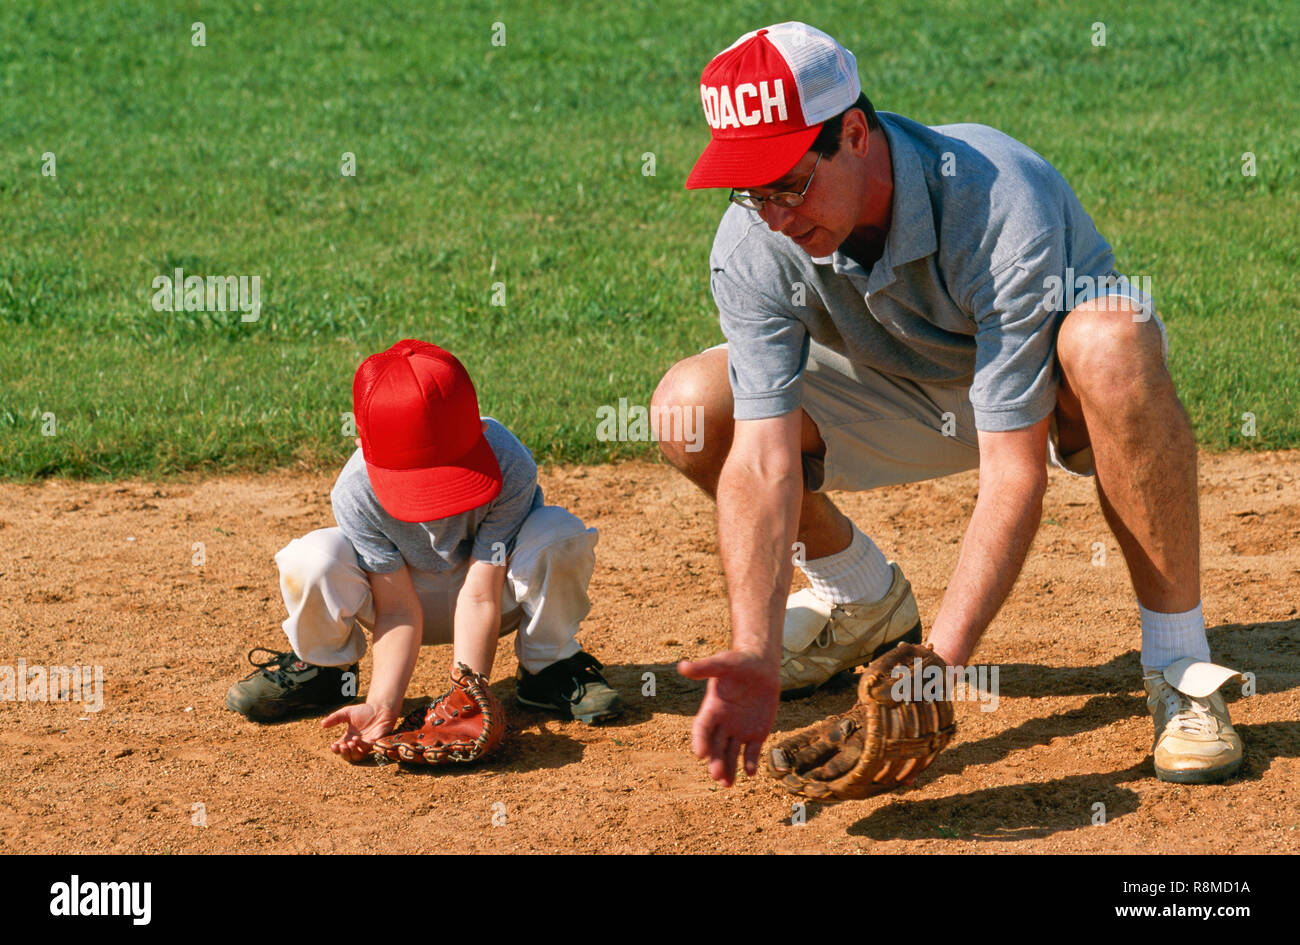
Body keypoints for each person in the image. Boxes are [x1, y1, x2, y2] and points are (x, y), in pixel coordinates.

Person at [658, 22, 1243, 789]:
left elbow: (1014, 474)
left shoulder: (994, 198)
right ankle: (861, 603)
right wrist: (754, 645)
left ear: (857, 133)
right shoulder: (755, 239)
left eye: (790, 183)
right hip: (893, 388)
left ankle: (1180, 669)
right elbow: (762, 459)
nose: (773, 215)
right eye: (750, 189)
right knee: (694, 405)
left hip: (1049, 386)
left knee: (1112, 342)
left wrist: (935, 670)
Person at [226, 339, 624, 760]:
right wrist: (384, 705)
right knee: (313, 558)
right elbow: (397, 610)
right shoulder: (356, 489)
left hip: (494, 594)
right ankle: (325, 670)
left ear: (481, 431)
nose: (433, 500)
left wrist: (467, 694)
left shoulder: (509, 461)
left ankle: (546, 668)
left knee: (558, 533)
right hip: (396, 601)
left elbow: (479, 593)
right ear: (365, 448)